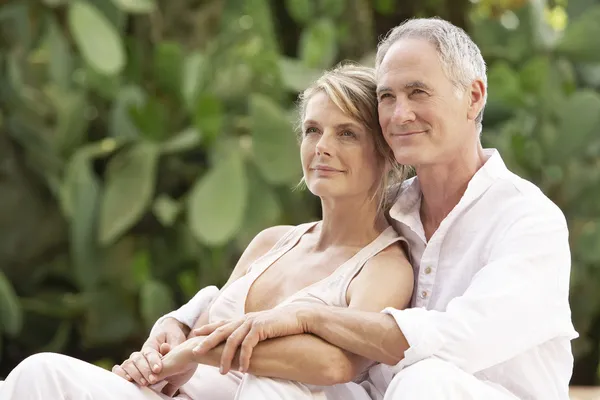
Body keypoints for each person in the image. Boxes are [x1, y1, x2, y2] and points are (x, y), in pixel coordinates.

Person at [155, 17, 579, 400]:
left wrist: (310, 318)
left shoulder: (527, 221)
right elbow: (303, 259)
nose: (400, 113)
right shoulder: (389, 210)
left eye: (418, 92)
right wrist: (181, 323)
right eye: (387, 96)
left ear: (473, 97)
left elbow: (460, 340)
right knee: (284, 384)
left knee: (424, 380)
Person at [0, 65, 414, 399]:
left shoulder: (385, 267)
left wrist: (190, 352)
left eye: (347, 133)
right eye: (312, 130)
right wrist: (168, 337)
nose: (322, 146)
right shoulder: (272, 242)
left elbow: (335, 364)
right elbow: (204, 325)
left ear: (387, 154)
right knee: (41, 373)